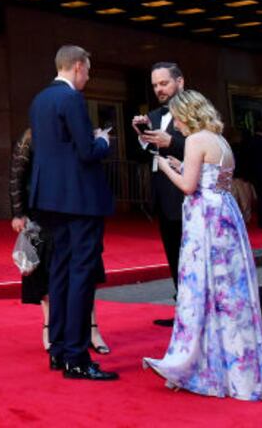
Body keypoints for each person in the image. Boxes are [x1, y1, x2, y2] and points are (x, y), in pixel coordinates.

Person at [143, 89, 262, 400]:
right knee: (229, 294)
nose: (175, 125)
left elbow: (189, 187)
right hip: (225, 218)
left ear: (187, 115)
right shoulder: (219, 140)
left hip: (205, 223)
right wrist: (180, 164)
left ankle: (197, 365)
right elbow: (210, 177)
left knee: (201, 291)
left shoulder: (195, 140)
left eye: (177, 118)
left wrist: (164, 167)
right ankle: (236, 371)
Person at [29, 45, 116, 382]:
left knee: (60, 273)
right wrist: (103, 141)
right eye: (89, 70)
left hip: (49, 199)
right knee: (81, 274)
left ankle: (59, 349)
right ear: (78, 66)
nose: (89, 77)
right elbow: (86, 150)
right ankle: (77, 357)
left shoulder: (39, 100)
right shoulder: (71, 100)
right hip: (79, 200)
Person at [10, 127, 109, 355]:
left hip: (80, 209)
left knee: (86, 269)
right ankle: (48, 326)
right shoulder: (32, 134)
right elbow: (17, 173)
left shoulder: (80, 132)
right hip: (43, 212)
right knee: (45, 269)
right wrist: (18, 212)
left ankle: (92, 328)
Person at [132, 61, 187, 327]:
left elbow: (210, 145)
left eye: (164, 83)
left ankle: (200, 313)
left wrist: (172, 142)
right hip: (163, 196)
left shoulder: (196, 111)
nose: (159, 89)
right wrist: (142, 137)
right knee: (174, 254)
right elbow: (147, 157)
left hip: (188, 195)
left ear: (180, 82)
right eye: (155, 85)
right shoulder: (153, 116)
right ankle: (183, 312)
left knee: (192, 256)